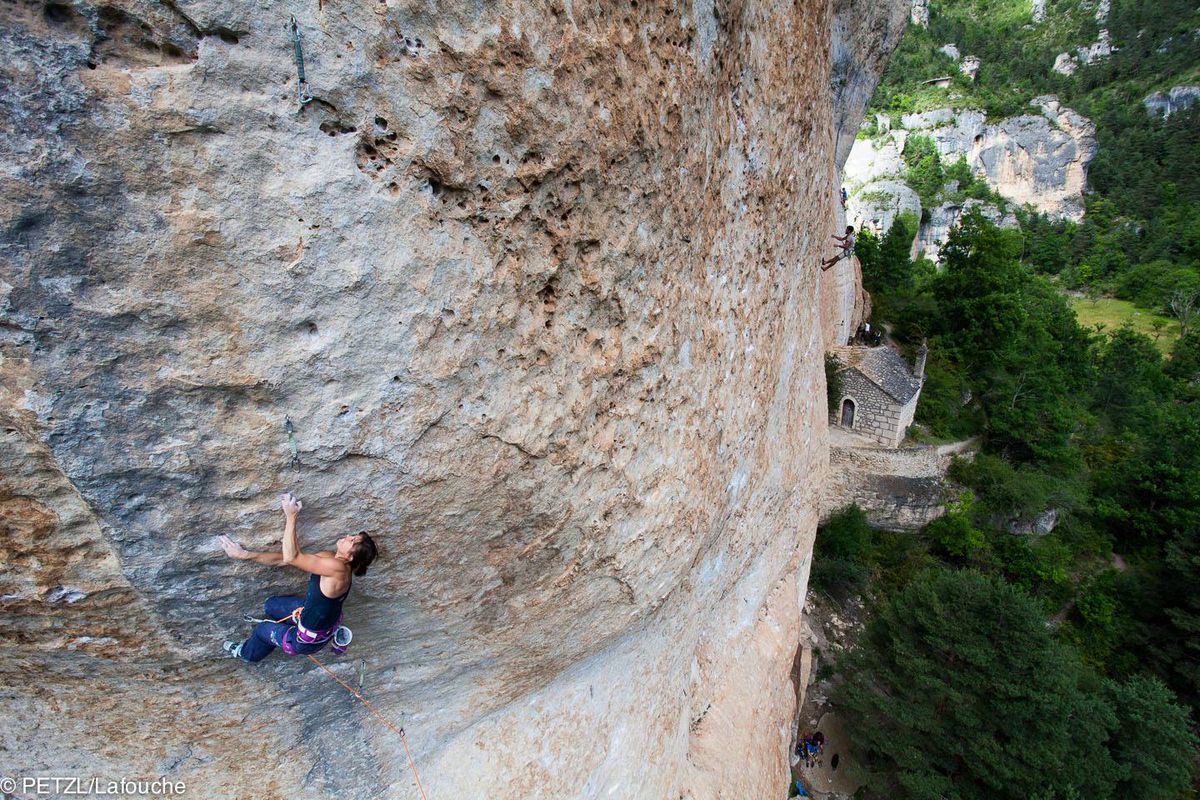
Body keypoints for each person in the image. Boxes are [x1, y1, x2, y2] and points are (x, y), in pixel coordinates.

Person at [219, 493, 377, 662]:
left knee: (262, 630)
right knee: (271, 605)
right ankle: (289, 627)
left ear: (351, 557)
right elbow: (286, 558)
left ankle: (246, 654)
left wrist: (291, 515)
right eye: (353, 536)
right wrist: (245, 555)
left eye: (352, 541)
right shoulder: (331, 558)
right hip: (313, 614)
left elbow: (291, 557)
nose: (348, 536)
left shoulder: (338, 569)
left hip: (305, 641)